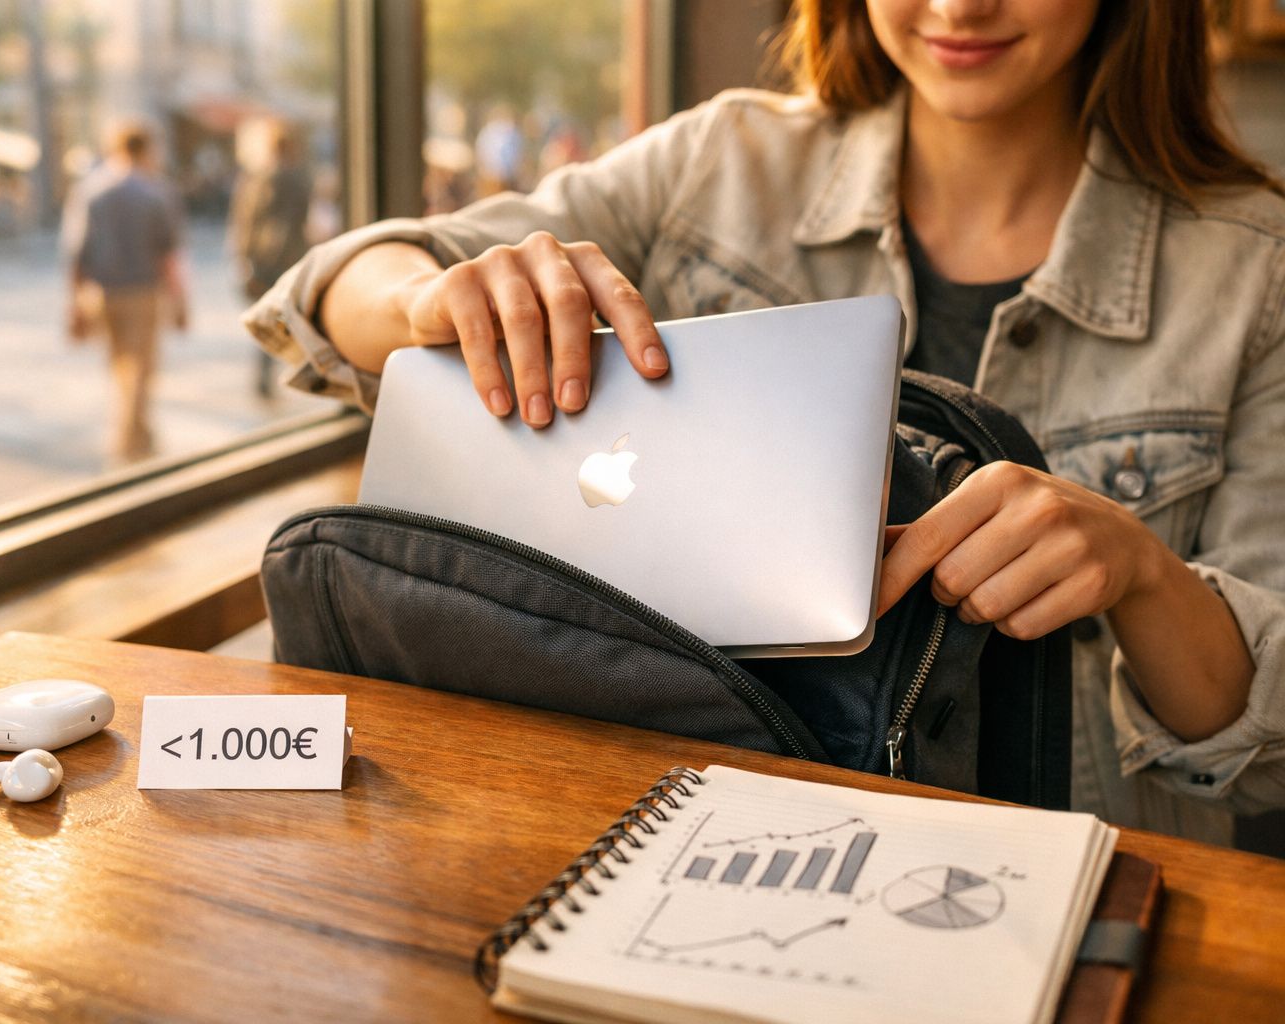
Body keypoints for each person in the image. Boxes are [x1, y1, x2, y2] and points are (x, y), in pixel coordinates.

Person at [245, 0, 1285, 847]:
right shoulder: (720, 159)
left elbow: (1264, 746)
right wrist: (431, 300)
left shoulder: (1255, 268)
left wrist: (1143, 574)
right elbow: (324, 299)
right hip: (685, 831)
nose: (963, 5)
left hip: (1060, 875)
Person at [61, 119, 187, 463]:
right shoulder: (157, 192)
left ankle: (137, 434)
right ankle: (130, 444)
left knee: (119, 365)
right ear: (146, 149)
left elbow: (75, 252)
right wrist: (180, 300)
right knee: (141, 368)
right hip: (142, 292)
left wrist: (73, 302)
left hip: (101, 293)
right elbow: (169, 255)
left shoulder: (89, 190)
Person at [228, 118, 314, 396]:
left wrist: (242, 257)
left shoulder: (255, 179)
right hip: (290, 257)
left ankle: (267, 375)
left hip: (263, 259)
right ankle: (299, 371)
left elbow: (244, 222)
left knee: (269, 316)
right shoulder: (298, 178)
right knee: (291, 316)